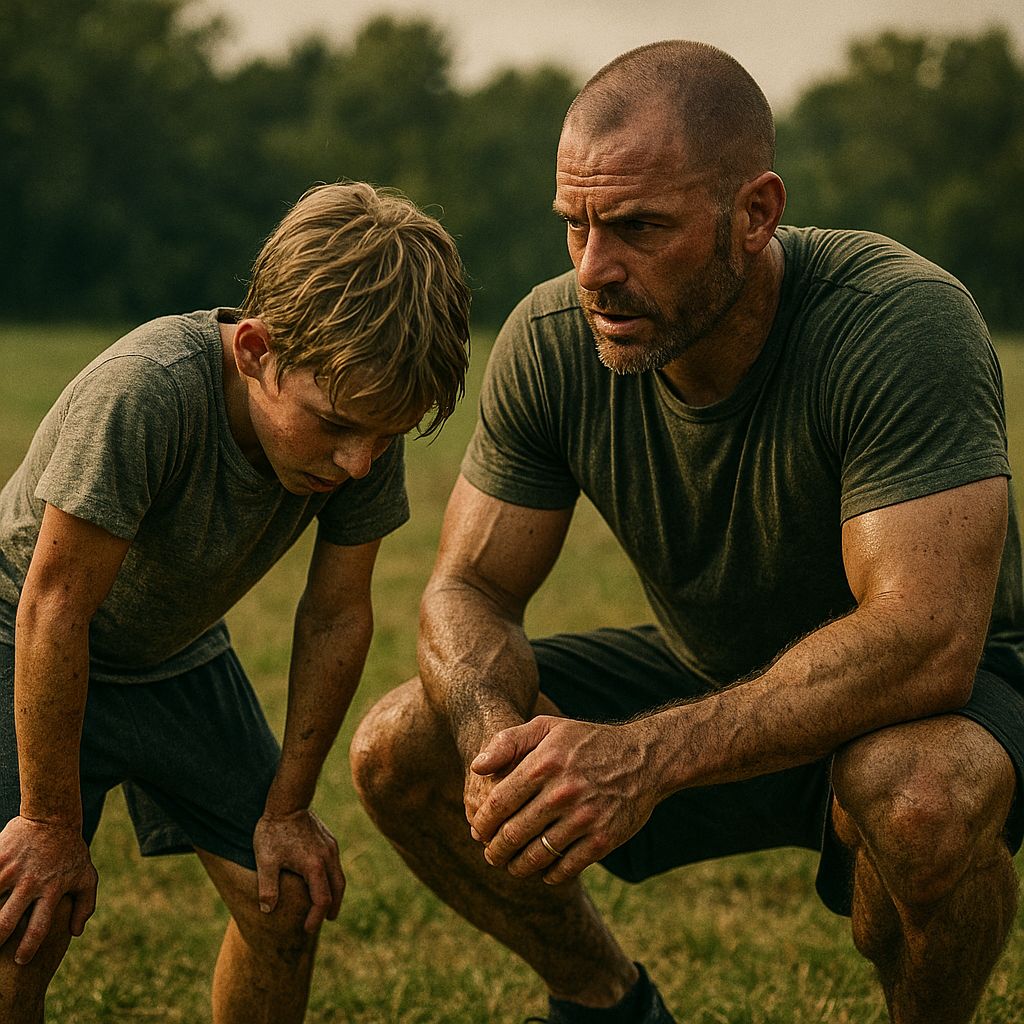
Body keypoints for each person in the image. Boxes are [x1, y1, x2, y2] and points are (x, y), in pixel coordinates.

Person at [351, 40, 1024, 1024]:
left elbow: (925, 640)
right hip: (718, 676)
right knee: (405, 746)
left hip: (940, 693)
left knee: (915, 796)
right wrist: (499, 745)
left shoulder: (897, 319)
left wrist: (642, 759)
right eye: (574, 226)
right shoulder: (552, 342)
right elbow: (468, 591)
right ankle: (607, 1004)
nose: (593, 270)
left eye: (636, 228)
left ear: (755, 215)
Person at [0, 181, 471, 1023]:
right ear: (255, 348)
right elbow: (56, 605)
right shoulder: (147, 390)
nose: (359, 463)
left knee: (284, 898)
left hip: (174, 658)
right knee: (21, 926)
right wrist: (47, 822)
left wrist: (288, 808)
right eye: (334, 427)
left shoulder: (363, 427)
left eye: (386, 435)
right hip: (20, 638)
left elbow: (336, 615)